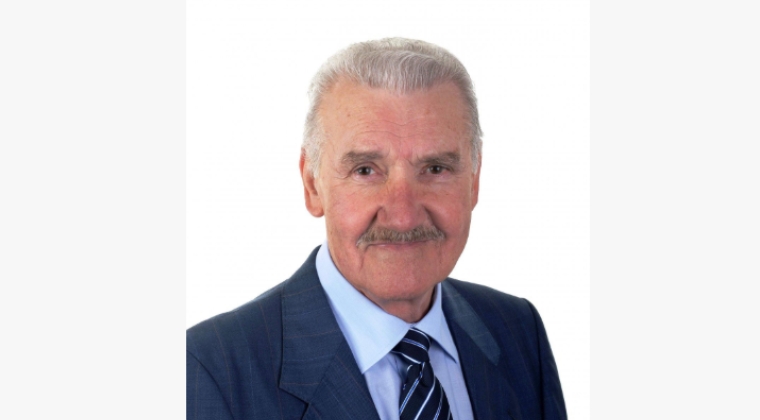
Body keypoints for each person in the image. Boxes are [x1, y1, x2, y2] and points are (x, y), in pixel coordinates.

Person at [187, 38, 566, 420]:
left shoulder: (518, 330)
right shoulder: (212, 369)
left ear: (474, 181)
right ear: (312, 185)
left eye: (435, 169)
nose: (403, 217)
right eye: (365, 170)